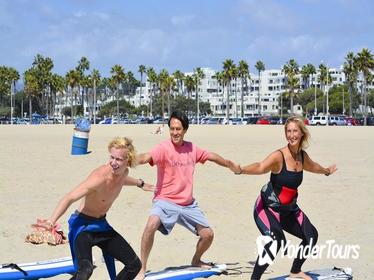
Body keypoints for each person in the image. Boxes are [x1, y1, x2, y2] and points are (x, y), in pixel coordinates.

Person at [226, 115, 337, 280]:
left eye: (295, 131)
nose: (291, 135)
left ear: (301, 134)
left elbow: (313, 167)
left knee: (311, 236)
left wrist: (326, 171)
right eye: (289, 131)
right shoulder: (279, 156)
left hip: (288, 209)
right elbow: (261, 166)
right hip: (266, 208)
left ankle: (296, 270)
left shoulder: (302, 157)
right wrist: (241, 169)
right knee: (276, 242)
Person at [135, 110, 232, 279]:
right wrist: (129, 159)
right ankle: (142, 268)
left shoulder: (192, 149)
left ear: (185, 130)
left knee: (208, 235)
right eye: (172, 129)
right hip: (164, 200)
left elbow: (211, 156)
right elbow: (146, 157)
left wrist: (229, 164)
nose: (175, 132)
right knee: (151, 225)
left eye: (178, 129)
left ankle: (196, 260)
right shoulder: (163, 148)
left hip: (188, 204)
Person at [44, 137, 154, 280]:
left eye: (119, 159)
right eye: (112, 157)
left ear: (128, 160)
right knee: (86, 269)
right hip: (82, 227)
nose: (113, 163)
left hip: (102, 226)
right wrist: (51, 222)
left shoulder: (124, 172)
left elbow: (122, 179)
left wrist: (140, 183)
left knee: (134, 265)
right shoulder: (99, 177)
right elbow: (69, 197)